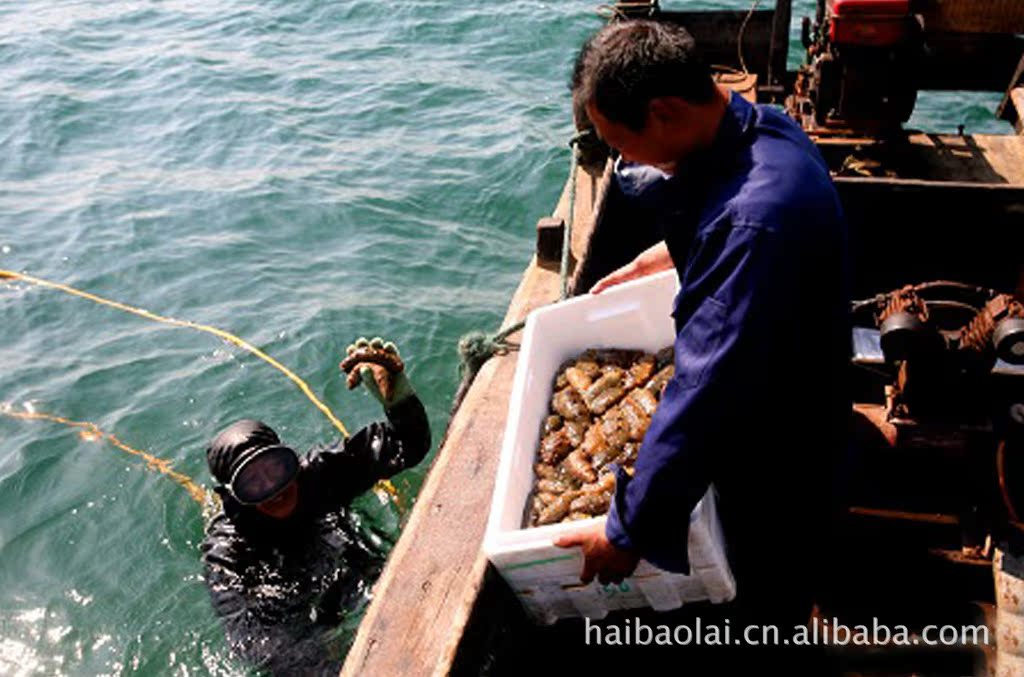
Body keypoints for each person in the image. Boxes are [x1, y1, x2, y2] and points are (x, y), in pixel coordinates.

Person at [556, 19, 850, 646]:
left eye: (621, 143)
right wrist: (668, 252)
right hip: (805, 370)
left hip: (785, 444)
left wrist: (625, 530)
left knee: (768, 588)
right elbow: (726, 208)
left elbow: (707, 391)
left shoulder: (751, 227)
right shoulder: (766, 127)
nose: (622, 162)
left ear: (663, 110)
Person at [200, 337, 431, 675]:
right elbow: (249, 638)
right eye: (254, 484)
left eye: (277, 468)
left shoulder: (319, 473)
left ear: (291, 460)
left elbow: (408, 446)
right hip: (283, 594)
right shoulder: (227, 549)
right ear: (234, 496)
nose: (273, 490)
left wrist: (399, 398)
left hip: (345, 559)